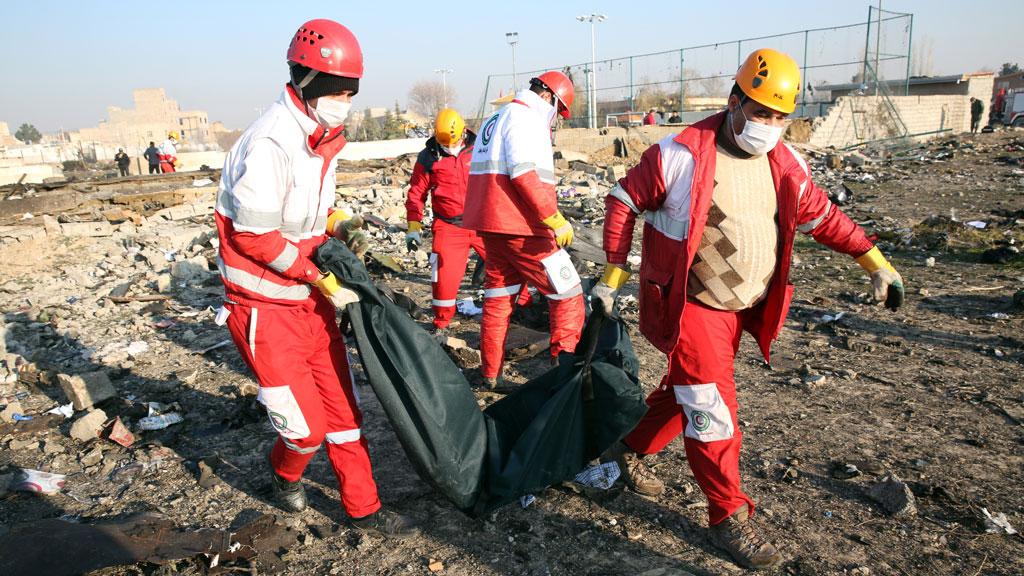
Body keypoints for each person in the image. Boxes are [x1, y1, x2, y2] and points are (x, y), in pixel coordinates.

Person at [591, 48, 905, 569]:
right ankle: (727, 516)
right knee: (713, 409)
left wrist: (875, 262)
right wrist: (613, 274)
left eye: (781, 117)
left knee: (687, 391)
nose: (769, 126)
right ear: (734, 101)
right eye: (761, 112)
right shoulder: (680, 154)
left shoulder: (785, 162)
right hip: (692, 306)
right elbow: (623, 201)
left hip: (742, 309)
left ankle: (627, 444)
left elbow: (823, 216)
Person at [214, 18, 417, 538]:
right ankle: (283, 474)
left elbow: (309, 213)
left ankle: (364, 507)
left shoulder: (319, 139)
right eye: (334, 90)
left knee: (344, 413)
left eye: (349, 91)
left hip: (308, 303)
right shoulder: (271, 143)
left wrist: (342, 224)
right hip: (264, 308)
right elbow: (254, 237)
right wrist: (315, 276)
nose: (343, 100)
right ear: (302, 80)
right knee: (306, 430)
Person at [463, 71, 583, 389]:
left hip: (492, 226)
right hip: (523, 228)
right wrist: (553, 217)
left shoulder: (497, 117)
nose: (556, 118)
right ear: (548, 97)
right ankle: (565, 380)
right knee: (568, 294)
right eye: (558, 109)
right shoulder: (525, 117)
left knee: (498, 299)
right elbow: (523, 173)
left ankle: (491, 374)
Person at [405, 108, 486, 333]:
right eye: (445, 144)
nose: (450, 147)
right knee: (443, 279)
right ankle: (441, 324)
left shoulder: (480, 147)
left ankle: (523, 307)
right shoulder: (429, 156)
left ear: (463, 132)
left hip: (483, 222)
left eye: (454, 141)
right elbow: (416, 192)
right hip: (449, 226)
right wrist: (413, 225)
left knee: (509, 266)